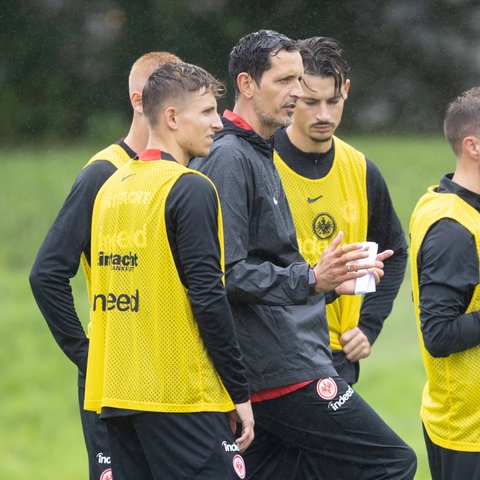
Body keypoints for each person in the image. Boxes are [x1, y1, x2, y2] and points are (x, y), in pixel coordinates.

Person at [190, 29, 416, 479]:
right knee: (392, 463)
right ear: (247, 85)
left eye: (299, 80)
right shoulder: (231, 158)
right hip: (281, 372)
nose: (297, 92)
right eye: (285, 81)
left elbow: (268, 266)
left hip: (287, 362)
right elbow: (226, 276)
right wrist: (313, 279)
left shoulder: (257, 151)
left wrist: (328, 287)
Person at [84, 60, 254, 480]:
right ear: (172, 117)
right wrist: (239, 391)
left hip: (118, 395)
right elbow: (209, 298)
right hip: (179, 397)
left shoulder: (111, 188)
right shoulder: (189, 188)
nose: (218, 123)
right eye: (207, 112)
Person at [29, 51, 180, 480]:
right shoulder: (101, 174)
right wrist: (87, 355)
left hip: (171, 376)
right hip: (113, 380)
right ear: (139, 101)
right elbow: (47, 273)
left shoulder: (186, 173)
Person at [273, 36, 408, 384]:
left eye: (332, 101)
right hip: (273, 359)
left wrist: (368, 326)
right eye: (310, 102)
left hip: (337, 362)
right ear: (291, 97)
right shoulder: (258, 163)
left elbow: (394, 251)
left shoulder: (362, 170)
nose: (323, 114)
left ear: (346, 90)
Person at [410, 86, 480, 479]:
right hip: (468, 432)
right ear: (473, 146)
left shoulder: (459, 204)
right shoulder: (451, 227)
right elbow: (438, 333)